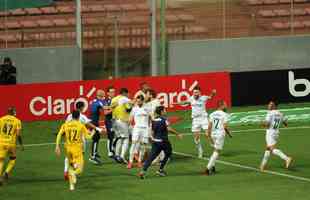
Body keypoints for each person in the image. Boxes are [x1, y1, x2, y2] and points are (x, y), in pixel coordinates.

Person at [139, 106, 182, 179]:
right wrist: (177, 134)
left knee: (151, 157)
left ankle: (143, 171)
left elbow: (152, 132)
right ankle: (160, 170)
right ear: (161, 112)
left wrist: (152, 139)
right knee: (168, 153)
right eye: (164, 110)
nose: (165, 111)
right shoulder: (164, 120)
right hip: (164, 141)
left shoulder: (154, 120)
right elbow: (169, 129)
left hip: (156, 141)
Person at [55, 110, 95, 191]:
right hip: (77, 149)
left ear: (71, 116)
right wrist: (93, 132)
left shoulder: (65, 125)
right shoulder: (80, 125)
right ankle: (74, 173)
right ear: (79, 117)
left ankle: (71, 185)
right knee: (79, 169)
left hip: (68, 148)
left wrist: (57, 146)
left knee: (71, 166)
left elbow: (59, 135)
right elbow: (88, 137)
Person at [63, 101, 104, 180]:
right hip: (79, 139)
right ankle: (74, 169)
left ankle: (65, 171)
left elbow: (65, 127)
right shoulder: (81, 116)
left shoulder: (69, 116)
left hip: (69, 139)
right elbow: (88, 124)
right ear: (82, 107)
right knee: (80, 155)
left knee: (68, 155)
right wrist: (97, 128)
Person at [176, 86, 216, 158]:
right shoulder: (191, 98)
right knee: (196, 138)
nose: (195, 93)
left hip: (204, 118)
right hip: (195, 120)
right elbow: (185, 102)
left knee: (208, 134)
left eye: (196, 92)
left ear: (199, 93)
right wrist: (179, 103)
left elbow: (210, 97)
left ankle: (215, 149)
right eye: (194, 92)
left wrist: (213, 93)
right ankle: (200, 150)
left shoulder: (203, 98)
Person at [260, 101, 293, 171]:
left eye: (271, 104)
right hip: (276, 132)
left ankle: (287, 158)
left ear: (274, 106)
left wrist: (262, 124)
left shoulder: (269, 113)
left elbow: (267, 124)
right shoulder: (280, 113)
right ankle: (263, 165)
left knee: (271, 149)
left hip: (270, 132)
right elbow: (286, 123)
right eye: (269, 104)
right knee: (268, 148)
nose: (269, 105)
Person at [205, 100, 231, 176]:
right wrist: (229, 134)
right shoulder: (225, 114)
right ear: (221, 106)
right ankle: (207, 168)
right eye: (225, 105)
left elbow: (209, 126)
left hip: (213, 134)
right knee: (217, 151)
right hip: (220, 134)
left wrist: (209, 136)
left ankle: (213, 167)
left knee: (214, 150)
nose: (226, 106)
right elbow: (225, 126)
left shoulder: (212, 114)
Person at [0, 107, 23, 185]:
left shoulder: (1, 119)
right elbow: (18, 134)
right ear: (13, 112)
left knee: (1, 160)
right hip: (11, 144)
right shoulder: (17, 121)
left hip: (1, 143)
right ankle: (6, 172)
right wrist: (21, 144)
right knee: (12, 159)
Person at [127, 95, 151, 169]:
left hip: (145, 129)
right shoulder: (134, 109)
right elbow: (130, 119)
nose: (138, 102)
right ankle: (130, 162)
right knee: (134, 144)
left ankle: (140, 161)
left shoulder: (147, 108)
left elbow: (150, 117)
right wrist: (130, 127)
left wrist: (150, 127)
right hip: (137, 128)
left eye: (139, 101)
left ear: (143, 101)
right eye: (137, 101)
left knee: (143, 145)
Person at [111, 88, 134, 163]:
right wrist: (132, 105)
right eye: (127, 93)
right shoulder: (124, 98)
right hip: (122, 121)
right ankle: (122, 156)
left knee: (119, 138)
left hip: (114, 121)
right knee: (126, 139)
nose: (128, 95)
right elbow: (128, 108)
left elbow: (112, 109)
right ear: (124, 93)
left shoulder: (114, 99)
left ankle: (117, 155)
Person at [89, 90, 106, 165]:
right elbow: (105, 107)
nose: (104, 97)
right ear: (100, 95)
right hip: (93, 122)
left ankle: (95, 153)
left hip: (93, 121)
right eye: (103, 95)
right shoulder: (98, 102)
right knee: (95, 138)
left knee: (97, 137)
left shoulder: (94, 100)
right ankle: (92, 157)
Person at [104, 86, 116, 158]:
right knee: (110, 136)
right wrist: (113, 108)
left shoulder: (115, 100)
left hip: (116, 120)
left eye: (114, 92)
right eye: (111, 92)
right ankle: (110, 151)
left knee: (117, 136)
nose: (113, 93)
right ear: (108, 93)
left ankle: (113, 149)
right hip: (109, 120)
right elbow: (105, 113)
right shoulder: (106, 101)